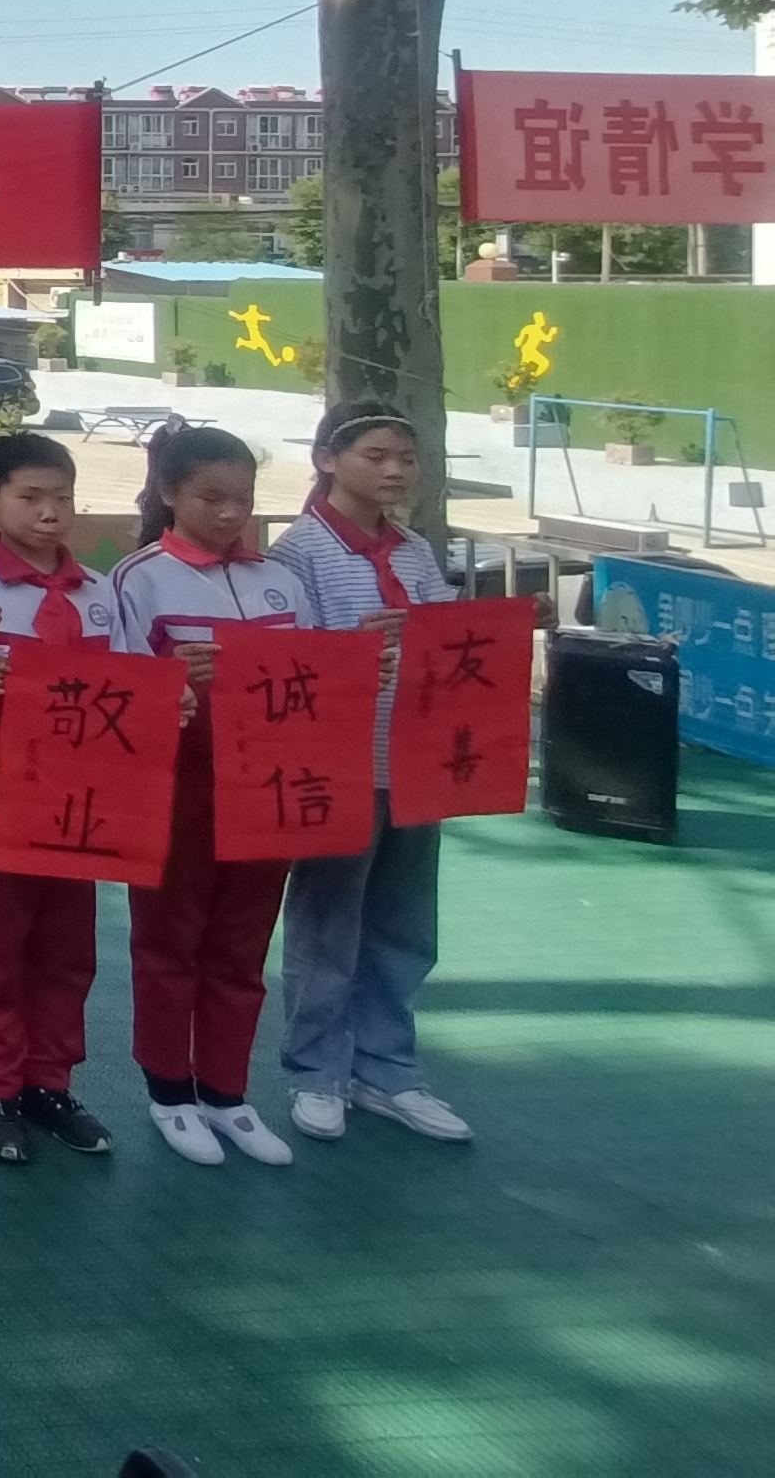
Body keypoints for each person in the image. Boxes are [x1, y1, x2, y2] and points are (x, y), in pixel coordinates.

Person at [273, 403, 471, 1147]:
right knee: (328, 924)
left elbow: (448, 642)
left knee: (405, 924)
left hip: (419, 763)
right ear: (328, 459)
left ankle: (388, 1069)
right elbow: (287, 663)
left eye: (406, 458)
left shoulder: (414, 551)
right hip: (340, 765)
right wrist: (352, 649)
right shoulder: (298, 553)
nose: (394, 471)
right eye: (376, 456)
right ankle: (317, 1070)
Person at [110, 424, 305, 1169]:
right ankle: (169, 1092)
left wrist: (366, 666)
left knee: (243, 945)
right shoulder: (139, 579)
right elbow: (119, 690)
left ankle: (227, 1092)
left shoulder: (280, 580)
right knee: (170, 941)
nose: (229, 514)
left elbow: (314, 680)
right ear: (168, 493)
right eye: (210, 498)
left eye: (243, 500)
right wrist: (171, 684)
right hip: (177, 790)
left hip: (266, 789)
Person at [0, 432, 118, 1168]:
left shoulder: (100, 592)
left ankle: (51, 1081)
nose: (51, 513)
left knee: (69, 947)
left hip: (81, 803)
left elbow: (131, 687)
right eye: (31, 497)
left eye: (63, 498)